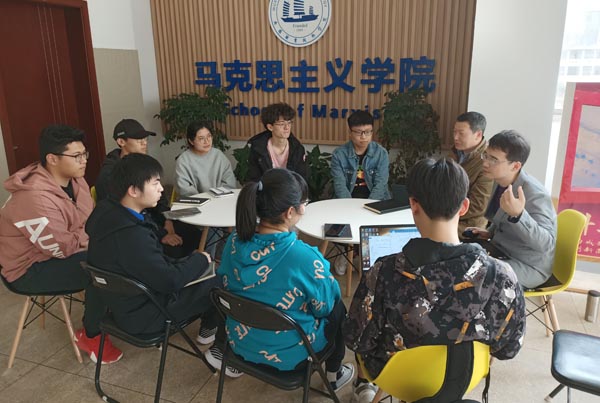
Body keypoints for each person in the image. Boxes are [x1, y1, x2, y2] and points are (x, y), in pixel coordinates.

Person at [344, 158, 526, 403]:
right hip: (464, 378)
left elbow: (357, 339)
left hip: (397, 378)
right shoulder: (503, 276)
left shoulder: (383, 272)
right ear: (464, 206)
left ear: (413, 205)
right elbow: (509, 348)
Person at [85, 154, 241, 375]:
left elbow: (151, 266)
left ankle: (208, 327)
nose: (161, 189)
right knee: (223, 280)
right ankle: (221, 351)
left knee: (196, 265)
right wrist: (199, 259)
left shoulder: (107, 214)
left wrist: (190, 263)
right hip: (146, 314)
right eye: (155, 183)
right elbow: (170, 281)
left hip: (123, 305)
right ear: (133, 190)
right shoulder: (132, 236)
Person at [215, 168, 355, 392]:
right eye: (304, 203)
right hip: (294, 354)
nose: (304, 208)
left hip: (240, 342)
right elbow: (325, 307)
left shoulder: (233, 241)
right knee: (338, 308)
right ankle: (334, 373)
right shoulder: (305, 258)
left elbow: (224, 279)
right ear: (290, 212)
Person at [0, 125, 122, 364]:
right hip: (27, 269)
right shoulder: (34, 197)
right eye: (76, 156)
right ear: (52, 159)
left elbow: (91, 221)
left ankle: (114, 313)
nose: (84, 160)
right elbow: (64, 248)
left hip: (57, 253)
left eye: (84, 154)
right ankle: (92, 335)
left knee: (119, 248)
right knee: (102, 267)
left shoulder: (76, 180)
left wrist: (88, 234)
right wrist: (90, 234)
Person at [96, 118, 199, 258]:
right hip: (134, 227)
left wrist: (168, 221)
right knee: (175, 249)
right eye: (139, 140)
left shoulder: (143, 164)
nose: (144, 143)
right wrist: (162, 234)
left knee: (193, 231)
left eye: (145, 139)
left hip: (155, 220)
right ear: (121, 142)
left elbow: (161, 199)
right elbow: (124, 215)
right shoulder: (111, 174)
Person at [467, 130, 557, 289]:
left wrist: (519, 215)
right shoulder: (499, 180)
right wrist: (490, 232)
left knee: (474, 276)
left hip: (528, 265)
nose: (485, 163)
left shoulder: (536, 195)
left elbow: (547, 244)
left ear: (515, 166)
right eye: (486, 155)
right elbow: (502, 218)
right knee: (462, 258)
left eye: (493, 159)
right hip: (503, 251)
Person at [450, 111, 493, 236]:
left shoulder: (487, 162)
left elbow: (478, 206)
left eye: (461, 133)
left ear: (478, 135)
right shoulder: (455, 153)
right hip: (447, 216)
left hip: (469, 225)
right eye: (454, 132)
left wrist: (443, 214)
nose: (455, 137)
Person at [331, 110, 390, 200]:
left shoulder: (381, 153)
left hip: (376, 201)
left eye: (367, 132)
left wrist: (369, 205)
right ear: (350, 132)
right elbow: (340, 186)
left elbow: (380, 185)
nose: (363, 137)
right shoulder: (339, 155)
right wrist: (349, 206)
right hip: (348, 201)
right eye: (359, 132)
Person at [246, 103, 308, 182]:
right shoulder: (258, 149)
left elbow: (302, 180)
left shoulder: (298, 149)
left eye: (289, 123)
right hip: (266, 188)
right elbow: (254, 179)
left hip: (291, 189)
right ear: (270, 127)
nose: (287, 127)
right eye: (282, 124)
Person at [175, 120, 236, 196]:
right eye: (201, 138)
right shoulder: (183, 161)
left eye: (209, 136)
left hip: (220, 199)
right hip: (196, 201)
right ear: (191, 141)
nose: (206, 141)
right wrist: (205, 198)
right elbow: (185, 189)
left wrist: (216, 197)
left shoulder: (219, 156)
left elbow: (229, 182)